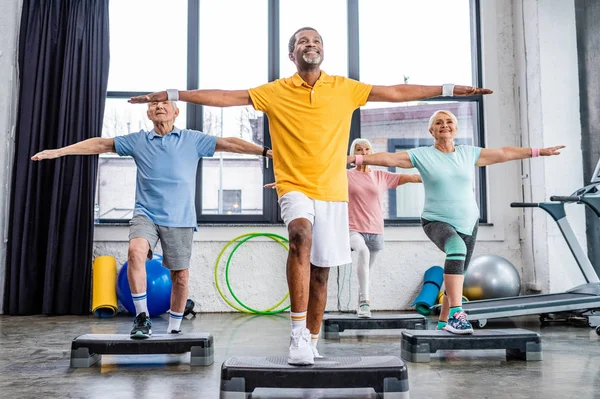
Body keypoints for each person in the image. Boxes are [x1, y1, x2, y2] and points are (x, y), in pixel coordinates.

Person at [128, 27, 492, 364]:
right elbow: (225, 97)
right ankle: (297, 334)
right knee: (300, 235)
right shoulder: (274, 92)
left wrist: (447, 89)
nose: (311, 45)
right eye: (303, 41)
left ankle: (311, 340)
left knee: (321, 272)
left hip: (332, 191)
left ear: (323, 51)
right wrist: (174, 95)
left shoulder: (344, 88)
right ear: (293, 54)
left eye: (316, 41)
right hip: (294, 185)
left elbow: (395, 91)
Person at [32, 100, 271, 339]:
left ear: (176, 112)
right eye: (154, 104)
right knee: (135, 252)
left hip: (180, 218)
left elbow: (229, 143)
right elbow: (101, 144)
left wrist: (265, 151)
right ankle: (142, 317)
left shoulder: (192, 139)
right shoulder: (139, 141)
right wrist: (59, 151)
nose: (159, 107)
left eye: (165, 103)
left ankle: (175, 327)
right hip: (145, 213)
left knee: (181, 276)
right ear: (148, 113)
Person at [348, 109, 564, 334]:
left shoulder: (468, 153)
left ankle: (443, 322)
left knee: (458, 272)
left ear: (456, 128)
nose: (444, 125)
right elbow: (388, 158)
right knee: (456, 247)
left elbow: (503, 153)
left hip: (469, 220)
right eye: (438, 123)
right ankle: (457, 316)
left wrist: (537, 151)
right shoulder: (422, 155)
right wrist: (356, 158)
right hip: (436, 220)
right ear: (431, 131)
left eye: (449, 121)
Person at [347, 138, 421, 318]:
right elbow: (321, 179)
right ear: (353, 153)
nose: (364, 153)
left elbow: (410, 177)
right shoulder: (346, 175)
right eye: (359, 150)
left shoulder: (380, 176)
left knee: (367, 271)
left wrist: (434, 176)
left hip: (376, 229)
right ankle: (366, 301)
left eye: (367, 150)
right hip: (353, 228)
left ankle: (361, 305)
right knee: (362, 252)